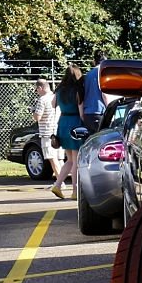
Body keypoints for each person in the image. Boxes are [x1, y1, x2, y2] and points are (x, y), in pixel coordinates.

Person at [49, 64, 84, 200]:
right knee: (76, 160)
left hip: (63, 123)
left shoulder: (59, 90)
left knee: (69, 160)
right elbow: (81, 113)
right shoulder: (78, 90)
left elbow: (53, 104)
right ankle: (75, 190)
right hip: (75, 123)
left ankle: (57, 185)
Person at [31, 79, 61, 180]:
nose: (37, 92)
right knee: (59, 158)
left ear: (40, 88)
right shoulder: (56, 97)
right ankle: (61, 181)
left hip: (47, 133)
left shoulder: (42, 100)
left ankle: (60, 182)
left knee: (52, 159)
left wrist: (33, 112)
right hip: (57, 131)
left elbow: (37, 117)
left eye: (37, 90)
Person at [82, 51, 106, 132]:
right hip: (100, 111)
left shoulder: (88, 75)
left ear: (94, 61)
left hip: (88, 114)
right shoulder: (104, 74)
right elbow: (105, 95)